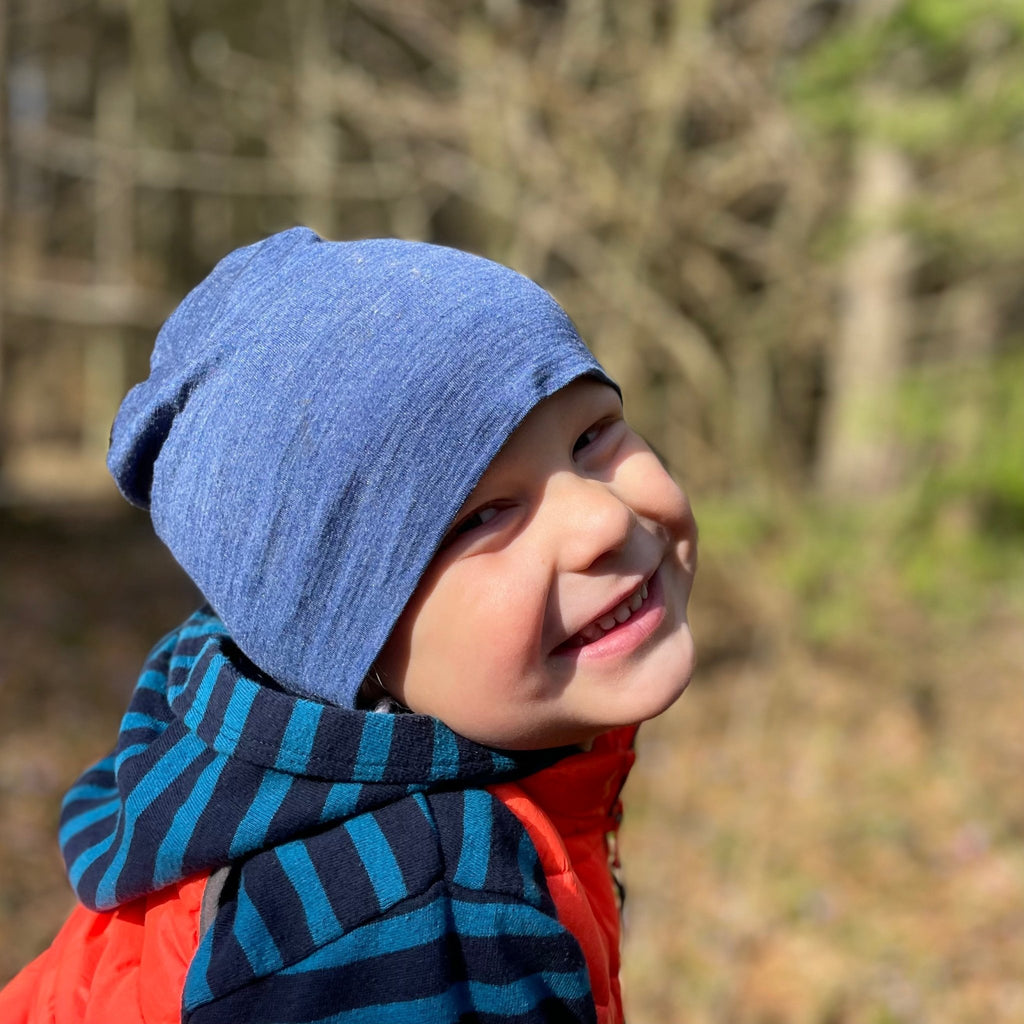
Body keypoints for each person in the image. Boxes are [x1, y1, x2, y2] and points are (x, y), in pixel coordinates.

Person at [0, 227, 698, 1023]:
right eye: (482, 516)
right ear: (345, 654)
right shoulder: (408, 924)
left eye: (591, 436)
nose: (602, 518)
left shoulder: (249, 745)